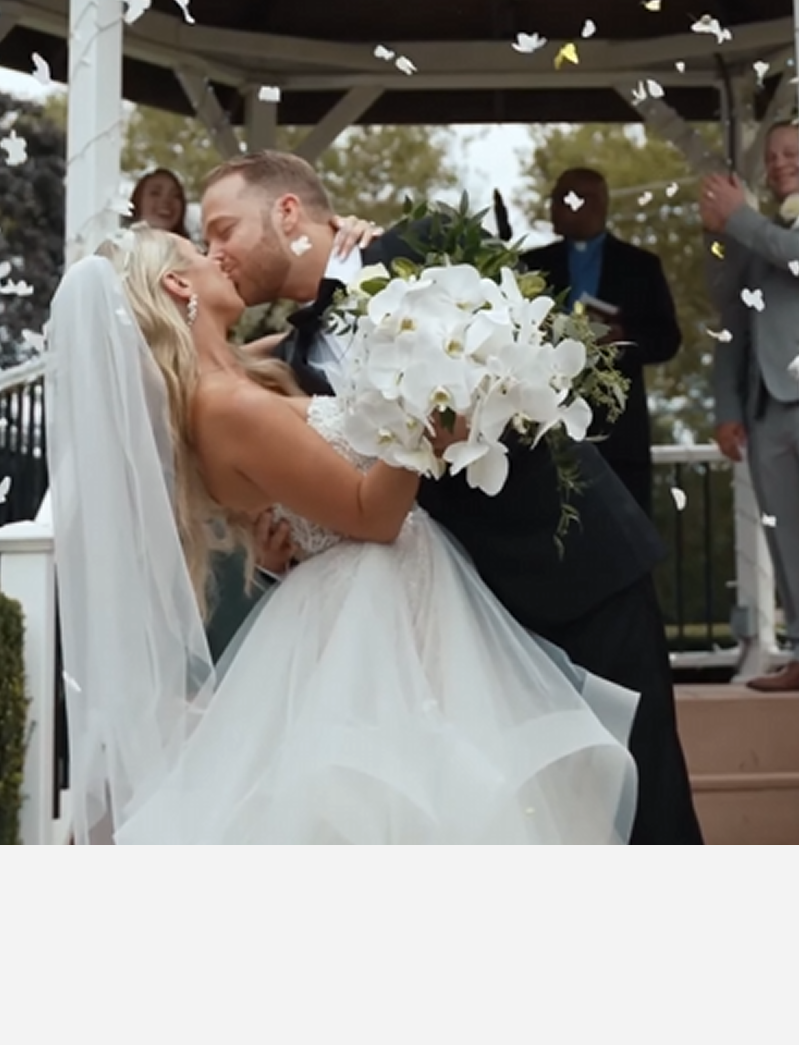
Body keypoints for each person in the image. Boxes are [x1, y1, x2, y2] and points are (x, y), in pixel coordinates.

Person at [45, 224, 641, 844]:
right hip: (372, 611)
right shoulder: (224, 404)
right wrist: (428, 410)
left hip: (393, 599)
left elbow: (328, 341)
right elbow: (370, 516)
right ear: (176, 282)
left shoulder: (245, 371)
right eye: (200, 250)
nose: (217, 255)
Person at [199, 150, 704, 845]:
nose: (213, 251)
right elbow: (346, 492)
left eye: (222, 228)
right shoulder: (281, 368)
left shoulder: (424, 243)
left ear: (286, 212)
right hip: (459, 632)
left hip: (574, 575)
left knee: (648, 816)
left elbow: (547, 350)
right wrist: (289, 544)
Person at [699, 122, 799, 693]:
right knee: (786, 536)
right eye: (773, 155)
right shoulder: (759, 229)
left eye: (792, 152)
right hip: (765, 408)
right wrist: (725, 406)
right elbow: (732, 321)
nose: (780, 162)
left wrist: (740, 218)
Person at [523, 168, 682, 521]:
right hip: (545, 430)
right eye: (556, 198)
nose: (558, 207)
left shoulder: (640, 266)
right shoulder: (531, 266)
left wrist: (622, 339)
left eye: (569, 198)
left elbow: (667, 339)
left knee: (625, 537)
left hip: (618, 434)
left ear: (598, 205)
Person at [129, 167, 190, 237]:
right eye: (155, 193)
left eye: (175, 195)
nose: (166, 201)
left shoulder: (191, 247)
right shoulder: (118, 244)